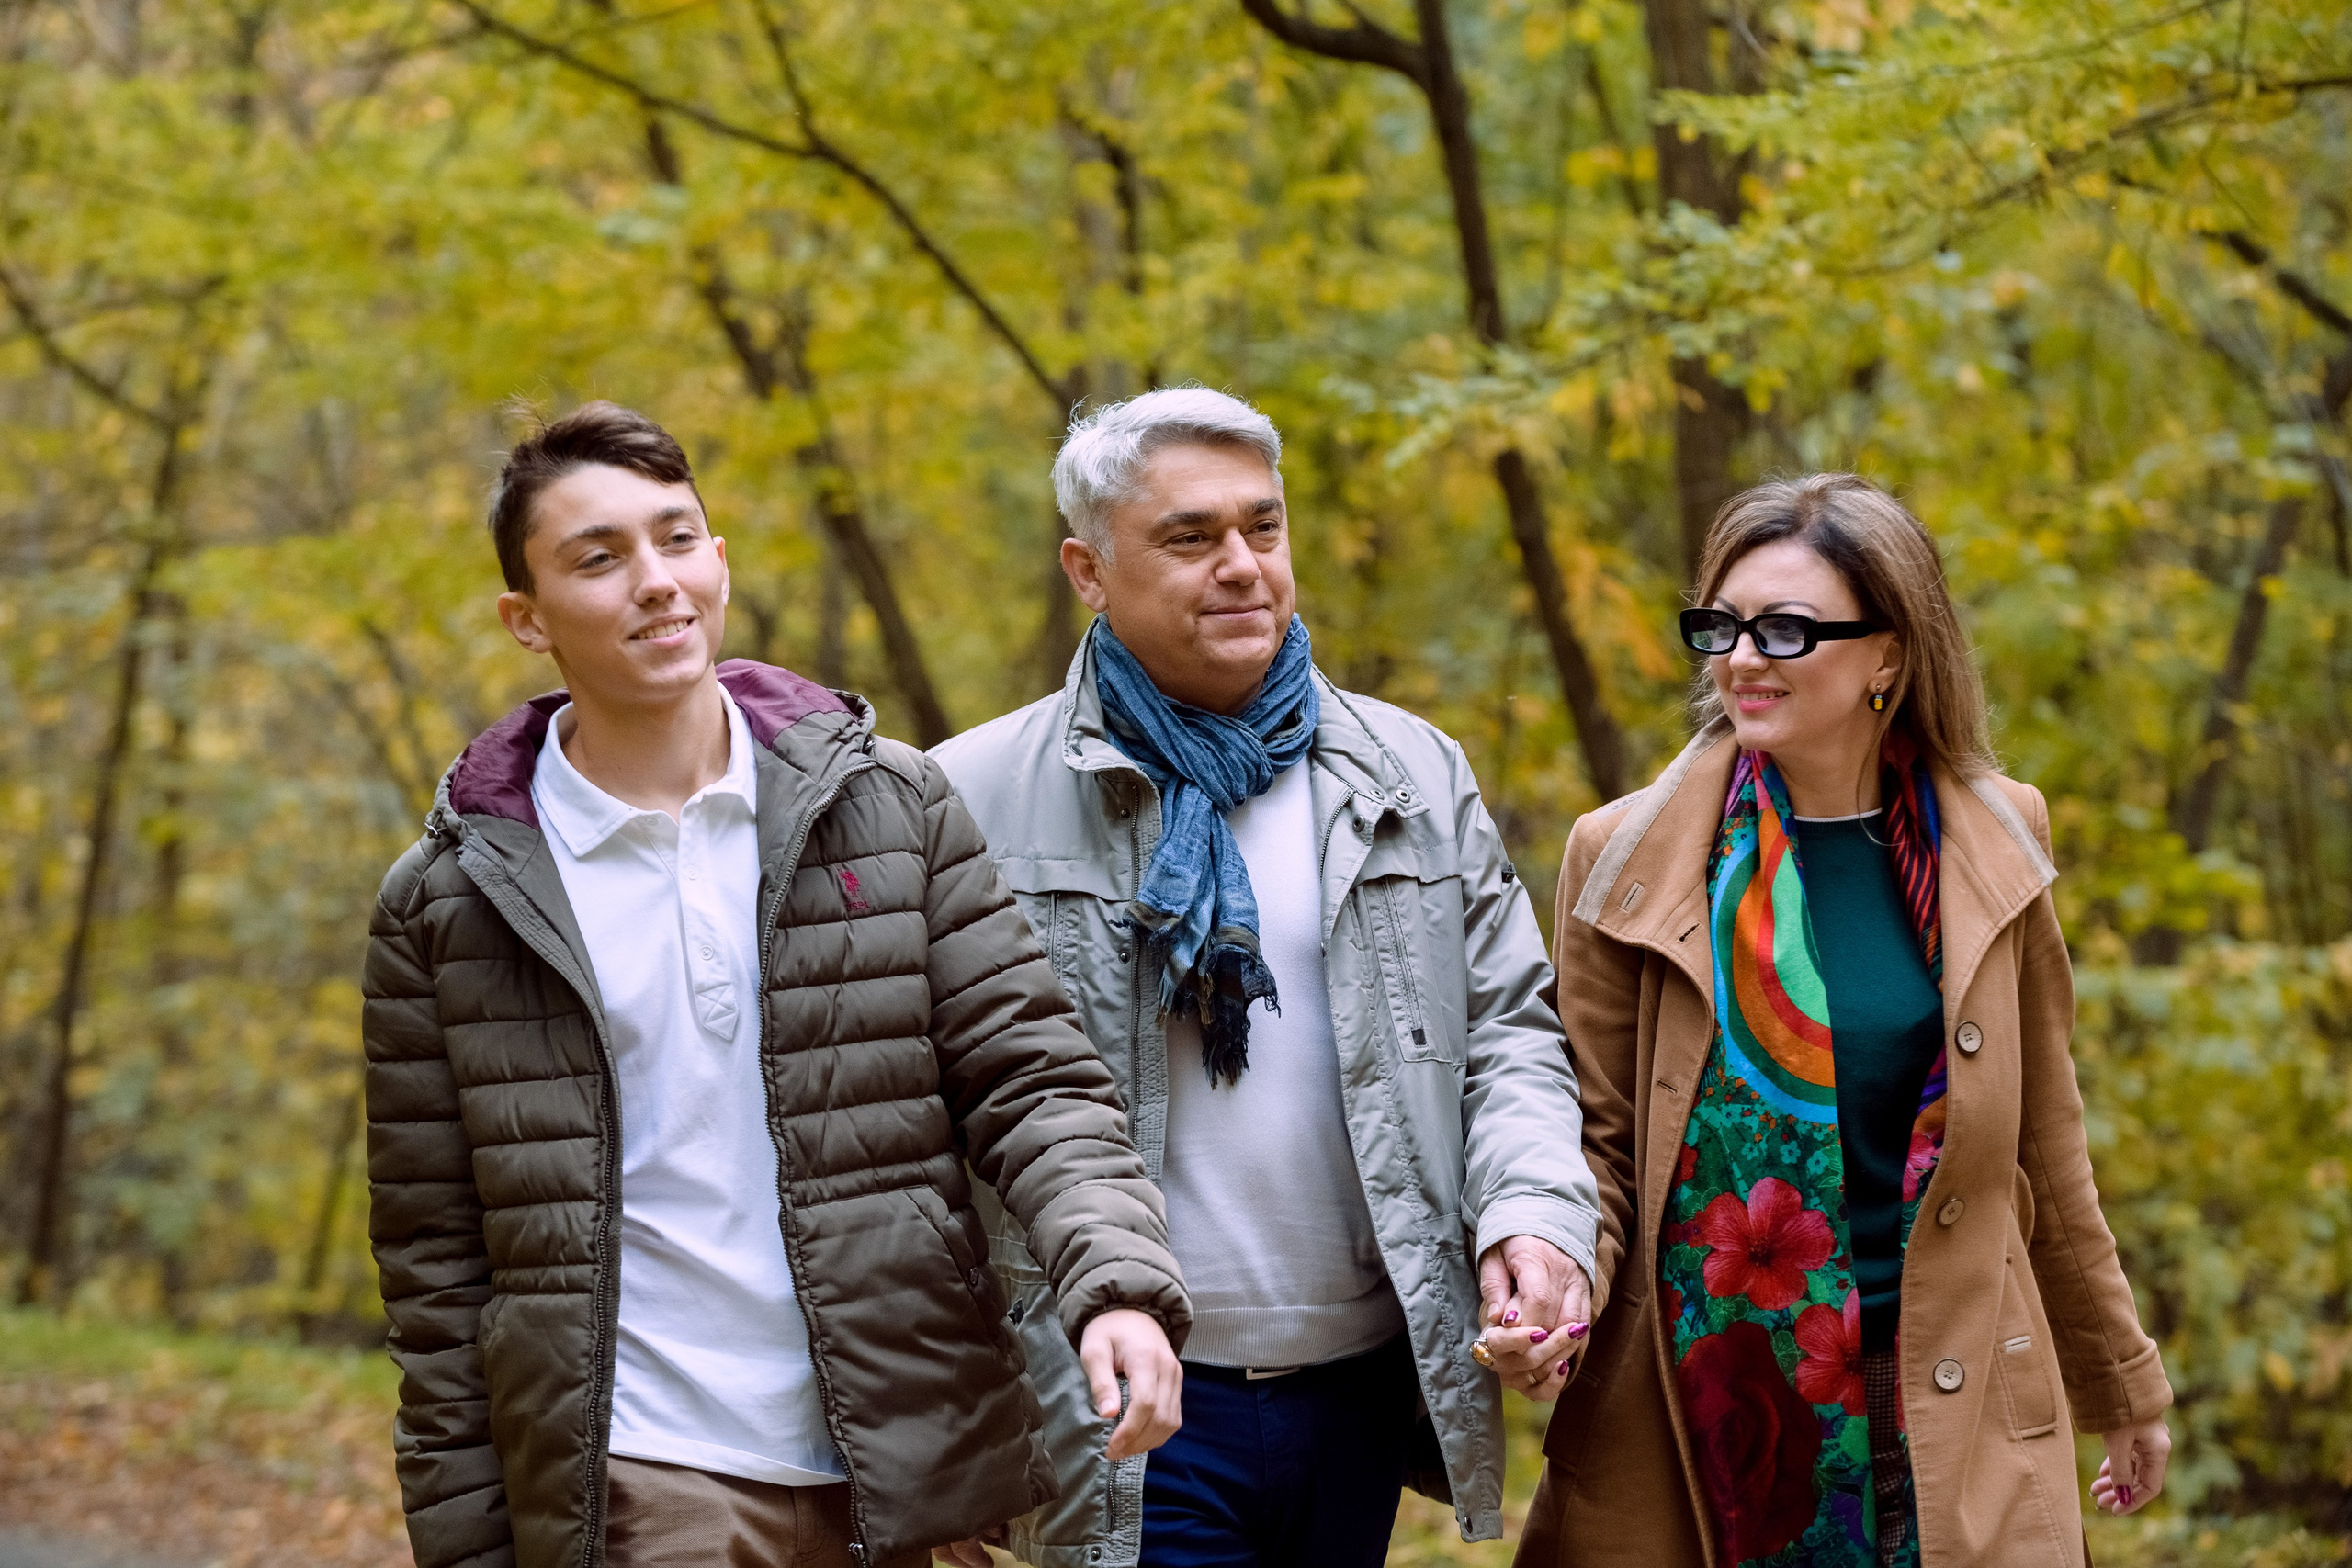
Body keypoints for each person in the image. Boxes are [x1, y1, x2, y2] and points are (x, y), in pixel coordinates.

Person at [360, 401, 1191, 1568]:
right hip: (644, 1477)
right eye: (599, 559)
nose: (655, 581)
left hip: (904, 1456)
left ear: (720, 563)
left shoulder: (888, 805)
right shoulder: (449, 900)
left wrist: (1114, 1284)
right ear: (526, 620)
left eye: (678, 538)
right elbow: (437, 1278)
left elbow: (1033, 1079)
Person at [931, 387, 1605, 1568]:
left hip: (1355, 1383)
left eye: (1264, 527)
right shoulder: (967, 796)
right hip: (1114, 1392)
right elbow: (925, 1122)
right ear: (1087, 571)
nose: (1241, 566)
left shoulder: (1407, 773)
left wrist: (1534, 1218)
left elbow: (1506, 1035)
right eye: (1189, 537)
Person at [1516, 474, 2173, 1567]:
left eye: (1784, 628)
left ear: (1889, 654)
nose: (1740, 658)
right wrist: (1556, 1290)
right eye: (1720, 627)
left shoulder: (1996, 837)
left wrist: (2119, 1378)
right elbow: (1598, 1148)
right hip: (1707, 1413)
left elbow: (2044, 1145)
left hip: (1955, 1399)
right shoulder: (1622, 854)